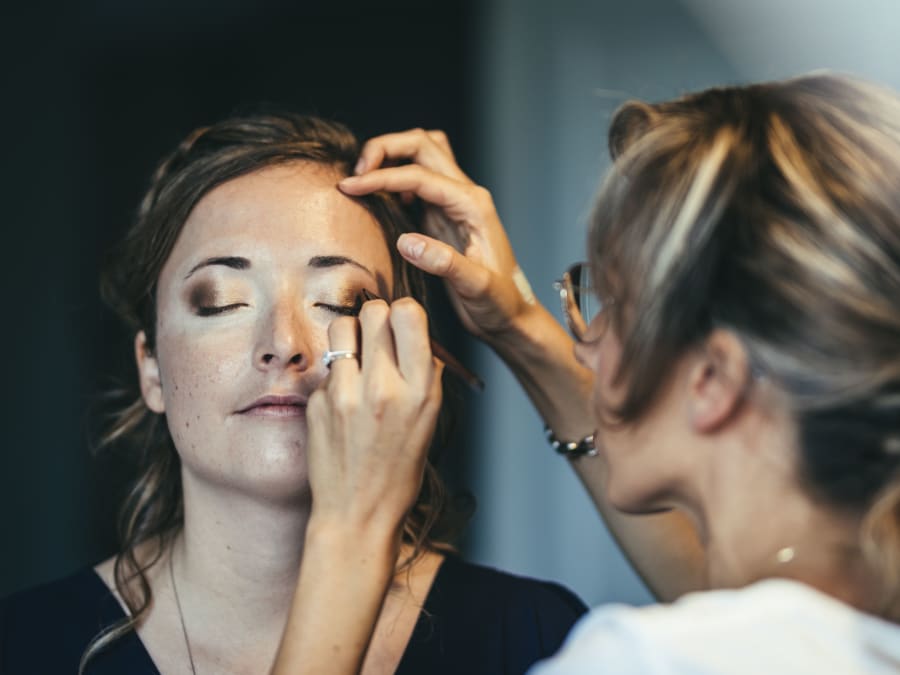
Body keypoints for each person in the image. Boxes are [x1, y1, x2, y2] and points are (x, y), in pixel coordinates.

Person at [322, 72, 900, 672]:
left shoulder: (642, 659)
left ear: (714, 379)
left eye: (609, 304)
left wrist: (348, 525)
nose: (581, 348)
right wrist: (516, 324)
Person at [0, 113, 587, 674]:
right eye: (222, 301)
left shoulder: (535, 638)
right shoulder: (24, 646)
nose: (284, 344)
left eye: (338, 301)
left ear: (407, 353)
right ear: (150, 369)